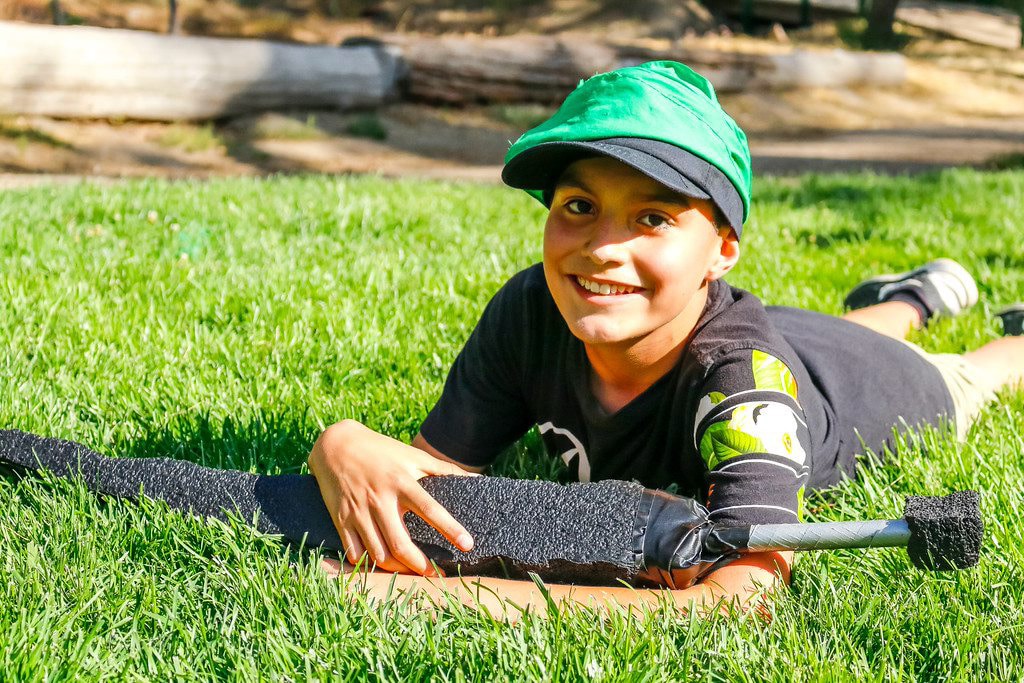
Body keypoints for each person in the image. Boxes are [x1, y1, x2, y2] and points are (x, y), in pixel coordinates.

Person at [308, 60, 1024, 620]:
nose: (602, 248)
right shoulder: (533, 307)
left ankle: (922, 308)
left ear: (722, 249)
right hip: (777, 332)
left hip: (882, 383)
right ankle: (910, 295)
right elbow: (439, 485)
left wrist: (435, 599)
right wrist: (340, 441)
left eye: (652, 217)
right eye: (579, 205)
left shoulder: (748, 386)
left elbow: (741, 604)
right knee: (835, 329)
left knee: (974, 369)